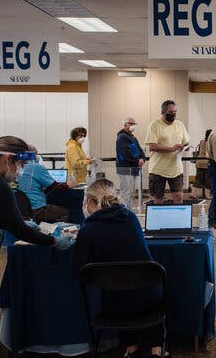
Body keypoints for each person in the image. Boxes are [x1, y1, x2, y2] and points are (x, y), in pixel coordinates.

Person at [72, 179, 166, 358]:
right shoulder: (130, 218)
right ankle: (157, 349)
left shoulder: (88, 229)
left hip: (114, 307)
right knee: (139, 287)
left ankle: (131, 348)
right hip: (149, 298)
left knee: (117, 288)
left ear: (90, 202)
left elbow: (80, 271)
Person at [0, 136, 73, 249]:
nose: (21, 170)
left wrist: (16, 222)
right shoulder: (1, 186)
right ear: (8, 159)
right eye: (21, 164)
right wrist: (54, 241)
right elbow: (21, 231)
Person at [144, 100, 190, 205]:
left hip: (176, 169)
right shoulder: (154, 125)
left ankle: (177, 221)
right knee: (158, 200)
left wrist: (185, 147)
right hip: (158, 169)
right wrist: (172, 149)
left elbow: (186, 142)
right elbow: (152, 146)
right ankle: (159, 220)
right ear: (163, 112)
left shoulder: (180, 125)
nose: (173, 114)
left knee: (179, 198)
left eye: (175, 112)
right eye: (171, 112)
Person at [17, 145, 77, 223]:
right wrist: (70, 184)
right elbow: (57, 187)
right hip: (37, 208)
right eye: (36, 154)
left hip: (22, 208)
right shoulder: (36, 167)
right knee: (64, 212)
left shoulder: (18, 167)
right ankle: (53, 233)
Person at [116, 118, 146, 209]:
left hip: (133, 169)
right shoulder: (121, 137)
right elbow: (123, 153)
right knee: (125, 194)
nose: (133, 125)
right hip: (125, 169)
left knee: (130, 193)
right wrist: (137, 161)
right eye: (130, 123)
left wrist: (142, 158)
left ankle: (128, 213)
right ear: (125, 125)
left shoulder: (133, 137)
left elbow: (140, 150)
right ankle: (122, 213)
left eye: (134, 124)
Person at [191, 129, 212, 200]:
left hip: (199, 162)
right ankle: (207, 195)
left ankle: (193, 193)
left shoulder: (202, 141)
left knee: (198, 179)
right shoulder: (211, 142)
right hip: (207, 163)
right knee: (208, 180)